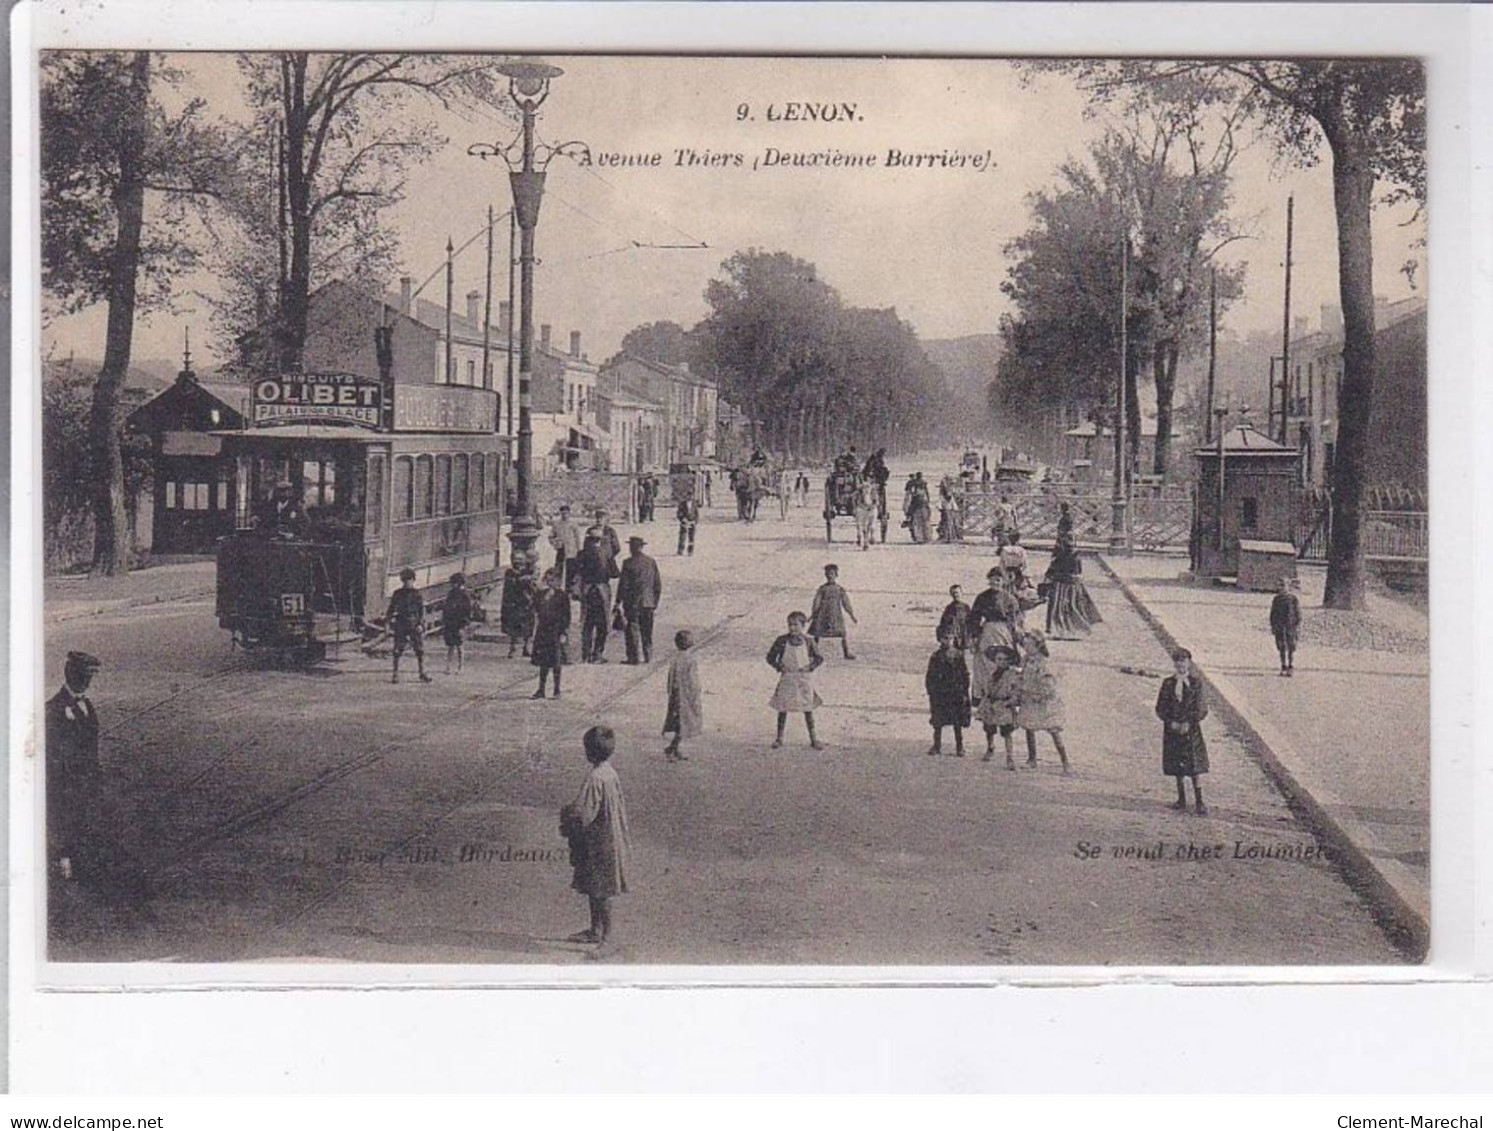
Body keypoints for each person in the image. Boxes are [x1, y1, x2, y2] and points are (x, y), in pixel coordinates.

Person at [559, 725, 631, 945]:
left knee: (601, 890)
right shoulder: (610, 773)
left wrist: (567, 819)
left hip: (599, 842)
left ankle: (607, 937)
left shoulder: (594, 778)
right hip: (610, 836)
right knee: (595, 886)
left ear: (588, 752)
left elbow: (584, 813)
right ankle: (596, 930)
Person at [1156, 647, 1209, 814]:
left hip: (1191, 730)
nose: (1181, 665)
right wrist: (1170, 721)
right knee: (1176, 765)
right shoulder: (1168, 683)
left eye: (1184, 661)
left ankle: (1200, 801)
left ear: (1189, 663)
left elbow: (1201, 708)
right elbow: (1160, 707)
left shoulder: (1196, 683)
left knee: (1194, 766)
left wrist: (1189, 722)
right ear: (1174, 664)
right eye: (1177, 662)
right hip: (1172, 730)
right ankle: (1181, 799)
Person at [767, 611, 825, 750]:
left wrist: (809, 667)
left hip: (803, 679)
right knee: (783, 707)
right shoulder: (781, 641)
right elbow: (770, 657)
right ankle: (779, 738)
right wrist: (779, 666)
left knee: (808, 708)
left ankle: (813, 738)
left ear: (803, 625)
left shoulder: (809, 641)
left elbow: (819, 658)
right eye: (790, 625)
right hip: (787, 678)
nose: (792, 628)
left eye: (796, 625)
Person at [1016, 629, 1069, 772]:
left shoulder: (1043, 662)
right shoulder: (1026, 659)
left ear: (1037, 645)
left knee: (1053, 728)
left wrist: (1041, 693)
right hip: (1030, 697)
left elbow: (1048, 682)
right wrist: (1020, 687)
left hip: (1043, 699)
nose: (1026, 648)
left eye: (1029, 645)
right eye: (1025, 646)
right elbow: (1021, 675)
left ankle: (1065, 761)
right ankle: (1032, 758)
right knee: (1029, 726)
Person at [1043, 534, 1103, 638]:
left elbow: (1050, 572)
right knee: (1073, 607)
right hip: (1073, 585)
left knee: (1059, 609)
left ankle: (1059, 629)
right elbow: (1079, 572)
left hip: (1060, 586)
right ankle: (1078, 627)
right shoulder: (1077, 557)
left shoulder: (1059, 558)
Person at [925, 625, 972, 756]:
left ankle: (959, 747)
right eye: (944, 638)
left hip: (956, 692)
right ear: (939, 640)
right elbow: (930, 676)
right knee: (938, 721)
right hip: (940, 693)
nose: (948, 641)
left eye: (950, 638)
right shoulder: (935, 657)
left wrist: (964, 690)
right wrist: (931, 691)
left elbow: (964, 674)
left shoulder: (958, 655)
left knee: (957, 721)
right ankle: (937, 745)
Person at [617, 535, 663, 664]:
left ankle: (634, 658)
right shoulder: (651, 561)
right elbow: (657, 584)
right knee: (647, 630)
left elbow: (623, 585)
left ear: (631, 548)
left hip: (632, 603)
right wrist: (655, 602)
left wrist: (618, 601)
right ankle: (648, 656)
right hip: (648, 602)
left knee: (633, 630)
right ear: (642, 547)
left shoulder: (627, 563)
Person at [977, 643, 1023, 769]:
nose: (1002, 662)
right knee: (989, 728)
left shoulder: (1013, 674)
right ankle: (990, 747)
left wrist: (1012, 701)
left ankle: (1010, 757)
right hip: (992, 703)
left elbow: (1016, 690)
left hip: (1005, 704)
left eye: (1005, 659)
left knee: (1007, 731)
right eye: (999, 659)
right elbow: (986, 688)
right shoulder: (992, 674)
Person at [663, 629, 704, 762]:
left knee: (680, 723)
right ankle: (671, 749)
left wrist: (670, 691)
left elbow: (671, 678)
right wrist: (696, 692)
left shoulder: (675, 658)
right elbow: (693, 680)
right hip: (686, 696)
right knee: (684, 723)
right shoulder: (690, 659)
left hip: (677, 695)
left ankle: (675, 748)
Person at [575, 533, 617, 664]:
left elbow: (576, 571)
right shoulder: (606, 554)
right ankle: (597, 654)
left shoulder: (581, 554)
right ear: (599, 540)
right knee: (602, 624)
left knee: (587, 623)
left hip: (587, 591)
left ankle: (585, 654)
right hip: (601, 592)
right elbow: (615, 573)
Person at [530, 569, 571, 698]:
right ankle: (541, 689)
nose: (550, 583)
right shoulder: (540, 594)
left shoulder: (562, 596)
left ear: (558, 581)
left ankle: (556, 690)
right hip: (543, 630)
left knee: (556, 662)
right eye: (547, 580)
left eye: (552, 580)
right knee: (543, 662)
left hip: (556, 631)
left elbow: (566, 615)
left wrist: (564, 632)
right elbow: (534, 608)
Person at [387, 567, 431, 684]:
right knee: (397, 650)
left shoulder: (417, 594)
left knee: (420, 650)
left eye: (410, 580)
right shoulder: (397, 594)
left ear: (413, 580)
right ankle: (395, 674)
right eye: (405, 580)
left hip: (414, 623)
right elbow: (391, 609)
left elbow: (421, 611)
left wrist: (421, 624)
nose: (408, 582)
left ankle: (422, 672)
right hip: (401, 623)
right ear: (402, 581)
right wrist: (387, 623)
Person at [809, 563, 858, 660]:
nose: (829, 576)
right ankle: (812, 652)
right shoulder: (822, 589)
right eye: (827, 574)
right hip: (822, 615)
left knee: (842, 634)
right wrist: (813, 614)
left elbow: (846, 603)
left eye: (832, 573)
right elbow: (816, 602)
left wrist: (851, 615)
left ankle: (846, 653)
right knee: (817, 633)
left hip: (835, 615)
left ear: (836, 575)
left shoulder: (840, 589)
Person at [500, 551, 536, 658]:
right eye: (515, 559)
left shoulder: (529, 571)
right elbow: (511, 586)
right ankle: (513, 648)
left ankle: (527, 647)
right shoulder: (509, 572)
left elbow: (533, 586)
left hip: (527, 603)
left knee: (529, 626)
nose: (517, 562)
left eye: (520, 559)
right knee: (513, 627)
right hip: (514, 603)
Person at [442, 572, 474, 675]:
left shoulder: (464, 595)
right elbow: (446, 608)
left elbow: (467, 611)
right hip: (450, 622)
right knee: (450, 645)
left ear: (459, 583)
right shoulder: (451, 593)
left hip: (459, 623)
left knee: (460, 646)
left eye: (454, 583)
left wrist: (464, 624)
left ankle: (461, 666)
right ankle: (448, 666)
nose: (452, 585)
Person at [1270, 577, 1302, 676]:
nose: (1282, 588)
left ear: (1288, 586)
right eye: (1280, 586)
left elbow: (1298, 613)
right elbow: (1273, 613)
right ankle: (1283, 665)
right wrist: (1273, 625)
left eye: (1284, 585)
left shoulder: (1293, 599)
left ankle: (1291, 665)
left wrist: (1296, 624)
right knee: (1281, 646)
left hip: (1290, 626)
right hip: (1280, 626)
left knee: (1291, 646)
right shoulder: (1277, 599)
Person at [548, 505, 583, 591]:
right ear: (560, 513)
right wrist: (555, 543)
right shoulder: (556, 524)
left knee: (571, 570)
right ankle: (557, 588)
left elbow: (577, 538)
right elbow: (550, 536)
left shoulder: (573, 524)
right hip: (561, 550)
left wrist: (579, 551)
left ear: (569, 513)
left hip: (571, 551)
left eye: (566, 513)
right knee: (558, 569)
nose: (564, 515)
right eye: (563, 513)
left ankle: (569, 589)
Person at [937, 584, 971, 652]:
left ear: (961, 593)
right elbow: (942, 624)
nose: (955, 595)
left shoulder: (966, 608)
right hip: (951, 639)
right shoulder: (949, 608)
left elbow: (970, 623)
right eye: (953, 593)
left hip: (962, 639)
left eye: (957, 593)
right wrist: (942, 638)